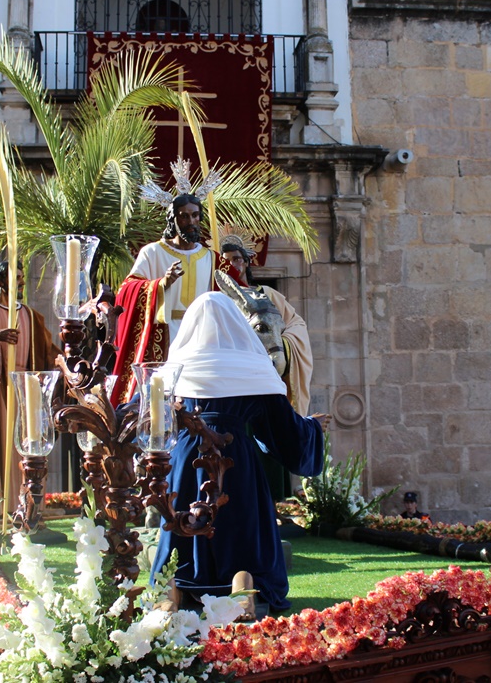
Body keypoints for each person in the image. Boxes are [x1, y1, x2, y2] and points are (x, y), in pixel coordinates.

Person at [149, 292, 329, 615]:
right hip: (235, 457)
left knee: (182, 525)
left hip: (186, 459)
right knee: (240, 526)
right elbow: (282, 430)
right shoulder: (253, 368)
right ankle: (242, 578)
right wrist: (312, 428)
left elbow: (150, 420)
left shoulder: (174, 368)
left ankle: (173, 587)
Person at [112, 188, 232, 404]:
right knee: (160, 396)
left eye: (195, 215)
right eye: (184, 216)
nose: (191, 221)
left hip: (200, 337)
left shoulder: (211, 258)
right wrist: (160, 285)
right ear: (173, 219)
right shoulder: (153, 252)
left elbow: (235, 294)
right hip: (164, 334)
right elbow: (126, 290)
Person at [0, 260, 61, 488]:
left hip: (27, 392)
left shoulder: (30, 316)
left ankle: (30, 507)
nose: (22, 282)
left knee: (30, 450)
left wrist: (67, 365)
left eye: (22, 277)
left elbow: (49, 352)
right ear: (1, 280)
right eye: (16, 277)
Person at [220, 233, 314, 416]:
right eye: (226, 261)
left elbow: (297, 324)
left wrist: (283, 345)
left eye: (237, 259)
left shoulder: (266, 294)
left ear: (246, 262)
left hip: (265, 367)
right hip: (234, 371)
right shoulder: (219, 299)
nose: (232, 264)